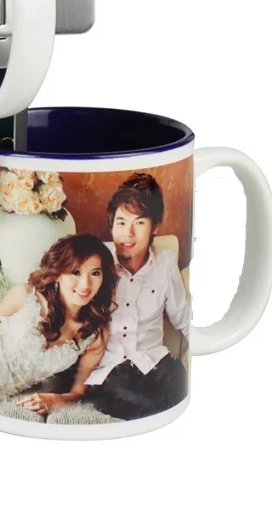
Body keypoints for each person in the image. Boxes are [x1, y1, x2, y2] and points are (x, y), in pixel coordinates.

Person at [0, 234, 117, 415]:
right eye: (76, 272)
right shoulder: (26, 296)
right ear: (58, 274)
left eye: (95, 273)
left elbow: (78, 392)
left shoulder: (94, 336)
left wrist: (56, 399)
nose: (85, 284)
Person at [84, 173, 190, 420]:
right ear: (111, 224)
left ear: (156, 226)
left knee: (178, 377)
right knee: (125, 395)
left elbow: (183, 318)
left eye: (139, 223)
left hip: (155, 366)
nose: (128, 233)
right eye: (121, 222)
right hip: (111, 375)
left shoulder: (165, 263)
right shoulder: (96, 262)